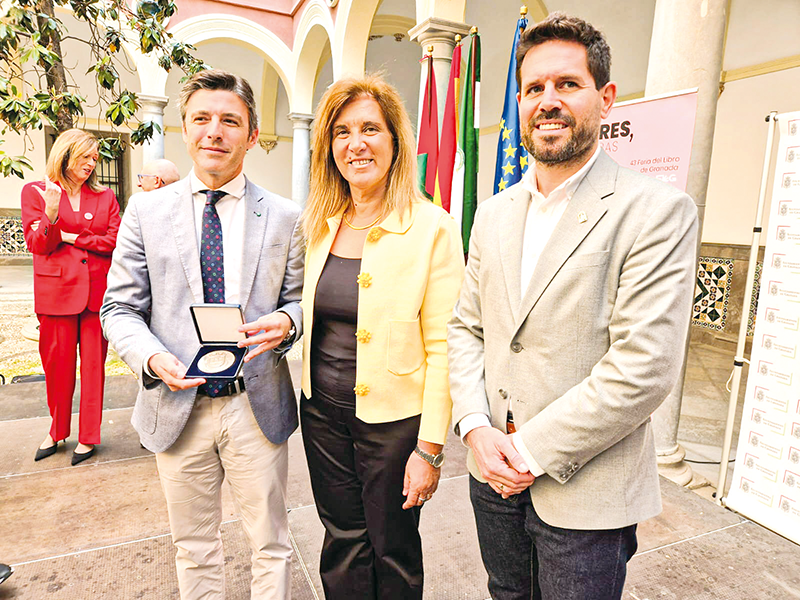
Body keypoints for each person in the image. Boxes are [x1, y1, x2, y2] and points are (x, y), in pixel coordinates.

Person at [447, 13, 699, 600]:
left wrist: (529, 452)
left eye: (567, 84)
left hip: (586, 492)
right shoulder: (495, 213)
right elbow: (468, 328)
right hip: (491, 474)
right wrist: (475, 426)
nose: (547, 101)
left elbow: (643, 368)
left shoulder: (656, 211)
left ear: (605, 98)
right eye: (533, 88)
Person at [100, 69, 304, 600]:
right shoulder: (146, 211)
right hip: (176, 399)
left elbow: (301, 302)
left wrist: (287, 323)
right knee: (193, 544)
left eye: (230, 121)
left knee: (271, 542)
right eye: (202, 119)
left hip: (254, 403)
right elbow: (119, 307)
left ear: (252, 134)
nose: (215, 131)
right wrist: (151, 358)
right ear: (184, 128)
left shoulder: (284, 217)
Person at [300, 75, 464, 599]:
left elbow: (445, 346)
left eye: (370, 128)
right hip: (321, 413)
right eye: (342, 131)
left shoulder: (432, 227)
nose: (356, 143)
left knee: (392, 544)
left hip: (393, 425)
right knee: (342, 539)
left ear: (395, 142)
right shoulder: (320, 224)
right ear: (329, 147)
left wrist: (431, 450)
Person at [21, 128, 121, 466]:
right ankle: (57, 430)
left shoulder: (105, 197)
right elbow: (37, 245)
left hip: (96, 296)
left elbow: (113, 242)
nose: (92, 163)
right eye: (86, 157)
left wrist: (70, 236)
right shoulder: (35, 192)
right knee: (57, 369)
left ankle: (89, 436)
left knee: (94, 369)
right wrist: (50, 216)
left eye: (95, 158)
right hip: (56, 295)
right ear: (66, 153)